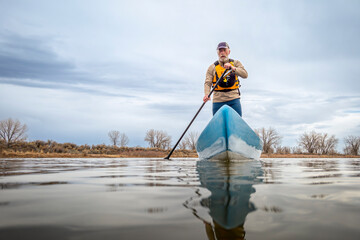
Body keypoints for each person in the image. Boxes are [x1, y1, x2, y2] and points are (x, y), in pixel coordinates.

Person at [203, 42, 248, 116]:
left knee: (236, 124)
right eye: (220, 51)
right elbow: (208, 83)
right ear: (217, 53)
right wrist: (206, 94)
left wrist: (233, 68)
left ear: (229, 51)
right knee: (218, 126)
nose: (222, 53)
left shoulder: (236, 63)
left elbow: (245, 75)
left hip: (234, 99)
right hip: (218, 100)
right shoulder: (212, 67)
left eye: (224, 50)